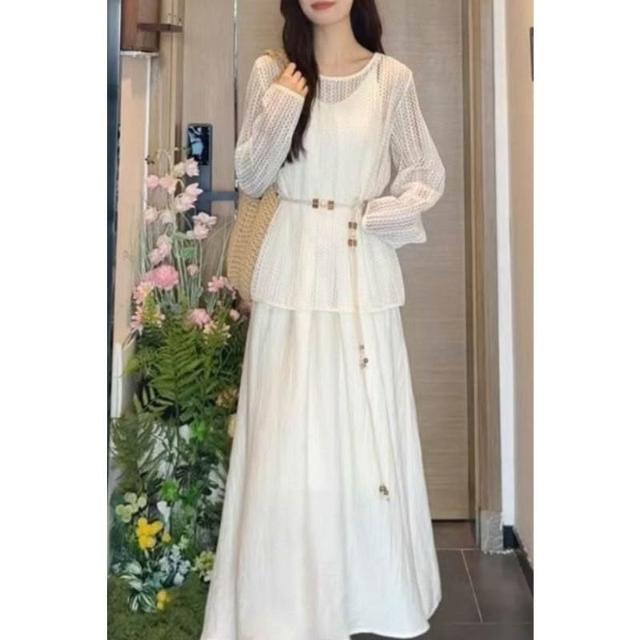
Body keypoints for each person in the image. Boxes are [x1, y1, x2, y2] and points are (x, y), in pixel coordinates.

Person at [200, 1, 446, 638]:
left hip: (361, 275)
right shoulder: (273, 73)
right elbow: (252, 175)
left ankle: (369, 596)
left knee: (362, 434)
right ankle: (282, 608)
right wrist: (284, 101)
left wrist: (376, 217)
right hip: (290, 272)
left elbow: (426, 174)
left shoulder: (391, 80)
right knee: (284, 440)